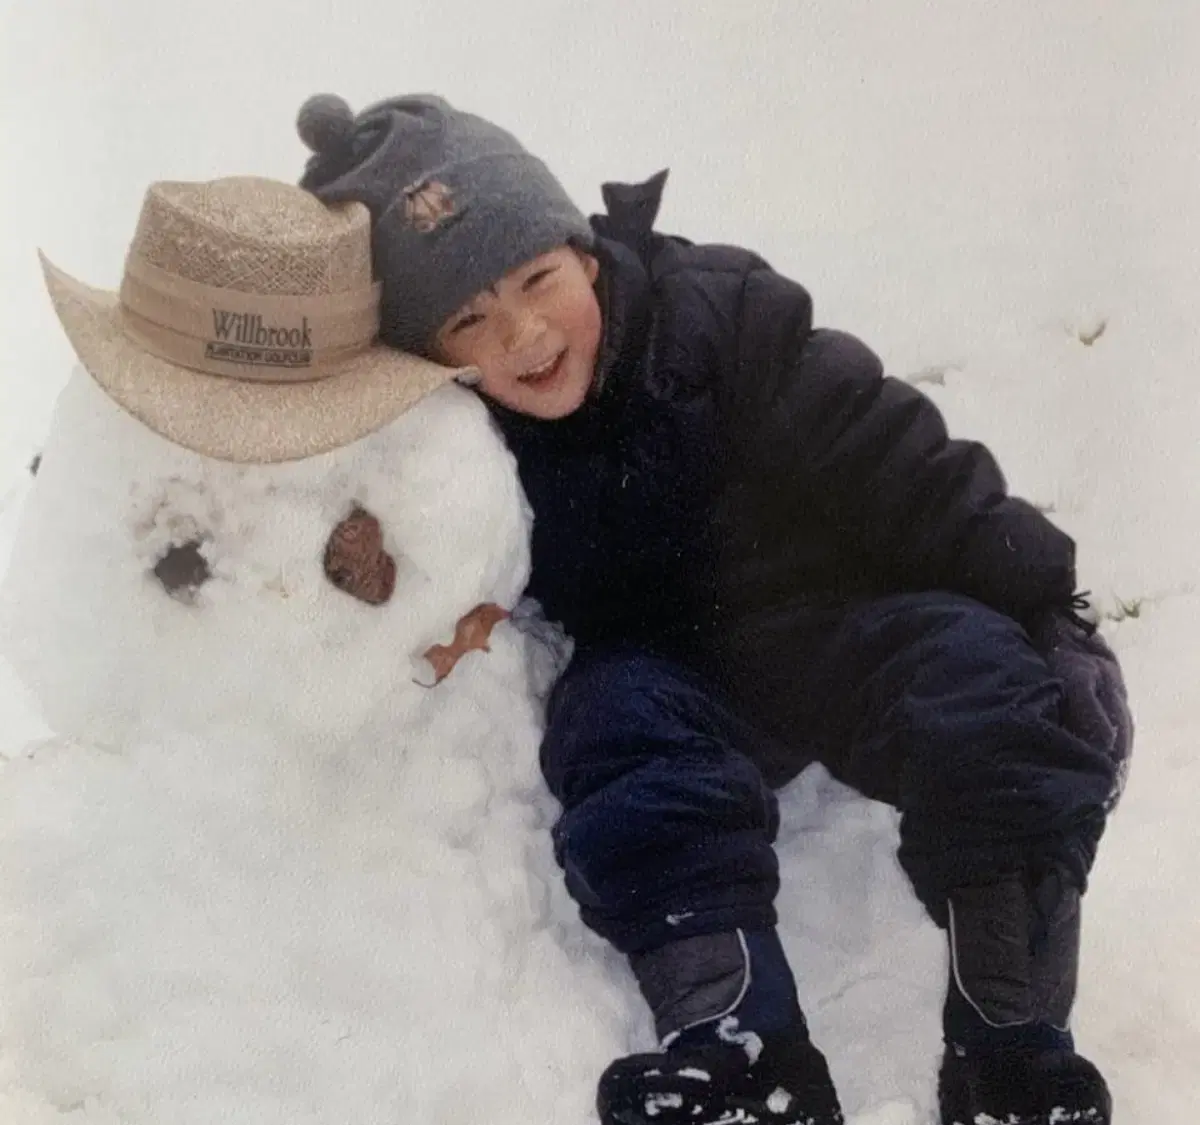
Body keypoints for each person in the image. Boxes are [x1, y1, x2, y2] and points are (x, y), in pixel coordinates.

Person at [294, 92, 1133, 1125]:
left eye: (537, 280)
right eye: (467, 319)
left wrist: (1048, 605)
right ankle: (740, 1048)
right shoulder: (460, 445)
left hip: (841, 622)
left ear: (586, 252)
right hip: (663, 667)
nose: (520, 332)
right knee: (616, 740)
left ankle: (1012, 1043)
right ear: (433, 359)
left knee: (985, 681)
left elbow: (895, 460)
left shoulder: (723, 320)